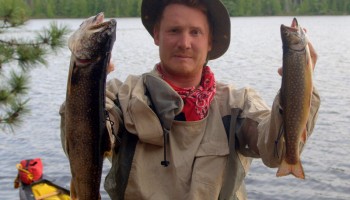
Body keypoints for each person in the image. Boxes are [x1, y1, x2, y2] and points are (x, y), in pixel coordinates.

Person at [60, 0, 320, 199]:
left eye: (195, 32)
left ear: (210, 42)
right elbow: (82, 141)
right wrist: (89, 84)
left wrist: (297, 87)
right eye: (174, 30)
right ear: (157, 35)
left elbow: (276, 151)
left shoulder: (237, 104)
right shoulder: (120, 97)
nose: (184, 43)